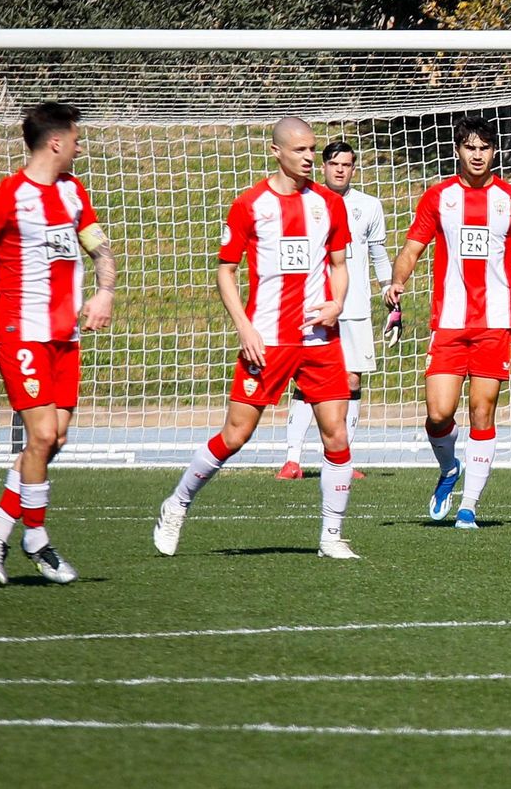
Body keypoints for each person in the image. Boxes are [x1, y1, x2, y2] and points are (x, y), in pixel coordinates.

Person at [153, 117, 361, 560]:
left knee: (336, 435)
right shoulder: (250, 204)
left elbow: (339, 265)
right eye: (300, 149)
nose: (309, 157)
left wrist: (337, 303)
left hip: (320, 339)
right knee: (235, 434)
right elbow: (225, 270)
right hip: (266, 340)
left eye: (312, 149)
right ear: (277, 152)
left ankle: (332, 535)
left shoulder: (328, 205)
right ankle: (177, 504)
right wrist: (244, 327)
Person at [0, 101, 115, 586]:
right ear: (56, 142)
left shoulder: (73, 191)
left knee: (54, 439)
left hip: (65, 335)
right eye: (77, 139)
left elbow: (98, 244)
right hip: (22, 333)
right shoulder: (8, 197)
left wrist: (104, 292)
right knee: (40, 436)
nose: (81, 147)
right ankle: (35, 538)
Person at [384, 116, 511, 529]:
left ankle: (469, 506)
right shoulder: (438, 197)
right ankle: (448, 468)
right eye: (469, 147)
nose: (477, 155)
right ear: (458, 151)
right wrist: (397, 281)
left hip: (495, 323)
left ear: (494, 151)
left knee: (483, 411)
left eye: (484, 147)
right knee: (439, 414)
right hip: (449, 323)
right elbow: (412, 247)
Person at [278, 140, 392, 480]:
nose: (340, 169)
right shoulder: (306, 202)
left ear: (353, 169)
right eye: (334, 163)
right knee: (308, 380)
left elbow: (378, 252)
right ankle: (292, 459)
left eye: (347, 164)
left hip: (355, 307)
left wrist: (388, 287)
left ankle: (341, 459)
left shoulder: (369, 206)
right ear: (324, 166)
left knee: (352, 379)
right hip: (314, 307)